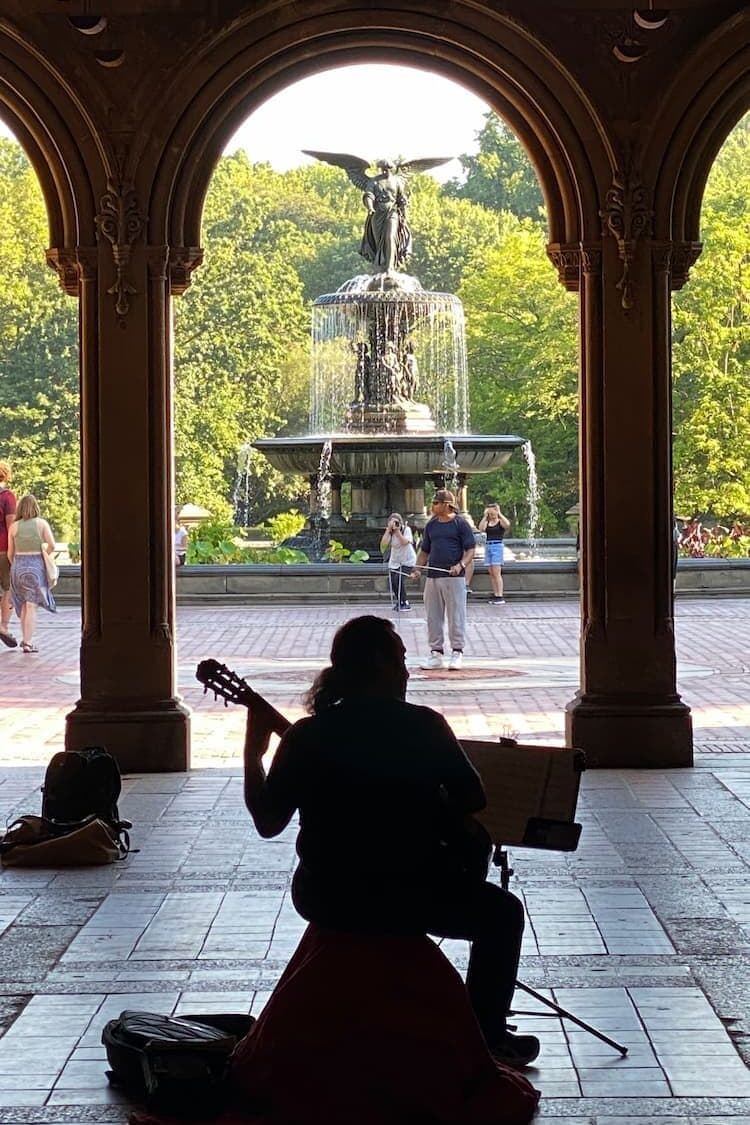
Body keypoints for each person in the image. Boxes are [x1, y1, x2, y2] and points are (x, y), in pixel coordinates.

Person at [242, 615, 540, 1069]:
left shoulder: (306, 735)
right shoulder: (423, 726)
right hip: (410, 893)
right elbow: (473, 796)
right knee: (502, 915)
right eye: (400, 659)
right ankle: (487, 1036)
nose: (406, 670)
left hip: (327, 895)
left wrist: (252, 756)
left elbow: (267, 822)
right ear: (379, 662)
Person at [414, 488, 475, 670]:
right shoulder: (431, 525)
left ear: (447, 505)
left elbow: (470, 549)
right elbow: (425, 551)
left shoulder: (460, 524)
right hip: (433, 577)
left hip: (453, 577)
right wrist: (417, 569)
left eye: (436, 503)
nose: (433, 506)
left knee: (456, 615)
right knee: (433, 616)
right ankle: (436, 653)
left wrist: (461, 565)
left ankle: (457, 652)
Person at [7, 493, 56, 653]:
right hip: (36, 565)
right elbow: (52, 545)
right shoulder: (41, 524)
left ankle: (25, 639)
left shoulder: (14, 527)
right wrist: (45, 555)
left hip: (18, 566)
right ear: (36, 507)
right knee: (32, 605)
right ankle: (28, 642)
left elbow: (10, 553)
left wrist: (16, 565)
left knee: (21, 604)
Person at [380, 512, 416, 610]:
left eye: (396, 522)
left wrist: (397, 531)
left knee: (399, 579)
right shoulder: (390, 532)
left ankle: (405, 602)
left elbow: (404, 542)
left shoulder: (406, 529)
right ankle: (399, 601)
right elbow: (383, 545)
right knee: (393, 581)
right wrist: (388, 530)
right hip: (395, 561)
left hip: (407, 560)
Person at [478, 503, 512, 604]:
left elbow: (507, 524)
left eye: (493, 512)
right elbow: (481, 528)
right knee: (491, 572)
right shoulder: (487, 522)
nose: (492, 514)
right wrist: (485, 516)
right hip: (488, 546)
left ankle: (500, 595)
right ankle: (495, 593)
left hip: (497, 546)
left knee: (497, 572)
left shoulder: (500, 522)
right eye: (490, 512)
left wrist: (499, 513)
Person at [0, 461, 17, 648]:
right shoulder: (7, 496)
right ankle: (3, 626)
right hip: (3, 548)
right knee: (8, 587)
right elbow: (11, 526)